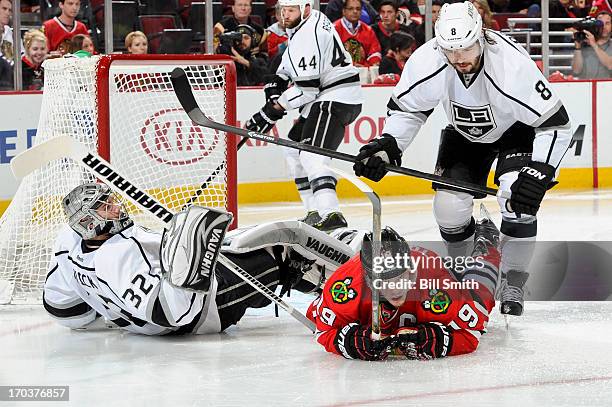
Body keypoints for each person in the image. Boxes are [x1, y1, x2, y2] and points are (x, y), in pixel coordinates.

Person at [353, 2, 573, 317]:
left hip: (517, 131)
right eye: (450, 52)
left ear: (480, 36)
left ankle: (513, 279)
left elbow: (556, 124)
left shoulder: (511, 66)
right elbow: (408, 108)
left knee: (517, 203)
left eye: (466, 50)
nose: (459, 59)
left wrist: (539, 172)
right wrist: (387, 145)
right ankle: (464, 270)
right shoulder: (429, 59)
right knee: (447, 209)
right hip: (464, 134)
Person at [43, 183, 355, 335]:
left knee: (258, 241)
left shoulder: (68, 247)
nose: (115, 207)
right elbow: (174, 314)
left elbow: (63, 308)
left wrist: (107, 308)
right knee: (286, 244)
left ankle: (341, 283)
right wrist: (192, 256)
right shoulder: (119, 252)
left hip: (188, 296)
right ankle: (356, 290)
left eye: (111, 200)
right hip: (207, 306)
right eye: (104, 206)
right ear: (88, 221)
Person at [308, 210, 500, 360]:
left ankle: (487, 244)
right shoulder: (345, 286)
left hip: (438, 270)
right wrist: (348, 341)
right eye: (385, 281)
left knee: (480, 300)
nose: (396, 288)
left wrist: (442, 342)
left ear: (411, 270)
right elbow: (322, 331)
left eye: (400, 277)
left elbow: (471, 332)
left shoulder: (436, 285)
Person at [244, 0, 363, 231]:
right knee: (292, 148)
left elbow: (308, 90)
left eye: (291, 10)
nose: (284, 15)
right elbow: (292, 63)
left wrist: (272, 111)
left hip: (336, 98)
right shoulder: (308, 22)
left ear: (306, 8)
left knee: (312, 156)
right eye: (282, 10)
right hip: (327, 95)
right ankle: (313, 211)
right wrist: (277, 82)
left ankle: (331, 214)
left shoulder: (310, 34)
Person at [334, 0, 382, 67]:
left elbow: (375, 52)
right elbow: (334, 56)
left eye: (358, 9)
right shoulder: (335, 29)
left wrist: (373, 64)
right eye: (351, 9)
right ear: (344, 11)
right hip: (342, 72)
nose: (355, 11)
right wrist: (353, 65)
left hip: (364, 71)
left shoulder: (368, 30)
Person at [572, 11, 612, 78]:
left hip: (606, 87)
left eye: (607, 23)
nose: (603, 26)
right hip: (586, 86)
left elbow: (610, 65)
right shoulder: (584, 44)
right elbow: (576, 70)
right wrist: (578, 47)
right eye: (600, 23)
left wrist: (594, 44)